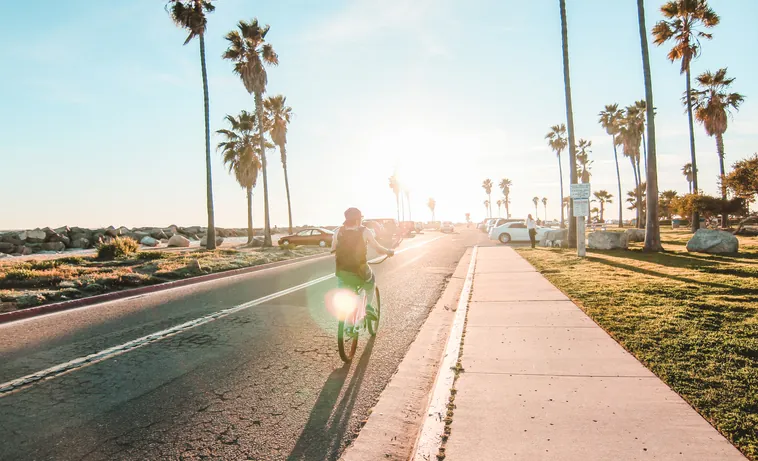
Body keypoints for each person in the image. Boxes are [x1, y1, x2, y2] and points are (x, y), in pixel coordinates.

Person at [332, 207, 394, 320]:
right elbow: (377, 247)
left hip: (342, 271)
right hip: (360, 269)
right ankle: (369, 307)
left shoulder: (338, 232)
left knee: (345, 291)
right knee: (371, 281)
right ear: (358, 220)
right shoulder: (364, 231)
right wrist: (388, 252)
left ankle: (348, 325)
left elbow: (333, 249)